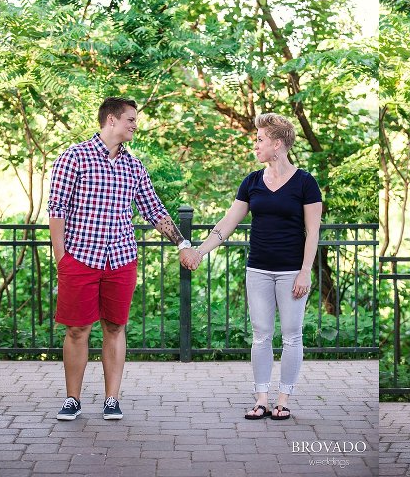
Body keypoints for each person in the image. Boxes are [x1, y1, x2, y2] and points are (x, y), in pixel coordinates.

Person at [49, 97, 201, 421]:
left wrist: (183, 243)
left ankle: (111, 399)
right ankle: (72, 399)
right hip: (79, 259)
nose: (135, 124)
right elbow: (57, 209)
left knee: (115, 327)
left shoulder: (134, 167)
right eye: (131, 119)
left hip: (120, 260)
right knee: (77, 329)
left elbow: (155, 211)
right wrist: (61, 256)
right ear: (112, 120)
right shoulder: (74, 158)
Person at [182, 113, 322, 421]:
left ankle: (283, 399)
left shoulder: (305, 182)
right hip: (258, 269)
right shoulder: (252, 182)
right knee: (261, 335)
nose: (255, 145)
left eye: (259, 139)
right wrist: (201, 251)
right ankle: (261, 399)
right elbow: (227, 224)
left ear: (276, 143)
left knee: (291, 335)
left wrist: (305, 270)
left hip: (290, 272)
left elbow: (313, 231)